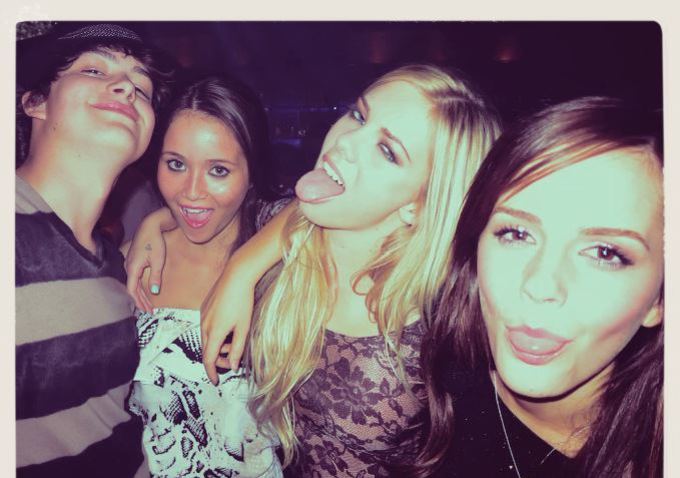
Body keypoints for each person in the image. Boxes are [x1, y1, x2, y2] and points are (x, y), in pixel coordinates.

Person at [125, 64, 501, 476]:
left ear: (422, 203)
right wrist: (172, 232)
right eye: (358, 115)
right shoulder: (292, 251)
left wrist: (241, 267)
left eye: (387, 151)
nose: (345, 141)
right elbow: (232, 208)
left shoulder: (444, 329)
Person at [414, 97, 663, 477]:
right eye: (516, 233)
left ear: (660, 300)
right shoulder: (422, 386)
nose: (540, 285)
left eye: (604, 253)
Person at [15, 23, 173, 477]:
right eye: (93, 70)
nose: (127, 87)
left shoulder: (115, 267)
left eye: (142, 88)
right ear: (35, 102)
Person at [124, 76, 282, 477]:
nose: (191, 192)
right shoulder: (135, 263)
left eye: (219, 170)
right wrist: (155, 221)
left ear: (251, 174)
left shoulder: (281, 264)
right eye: (176, 164)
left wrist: (242, 270)